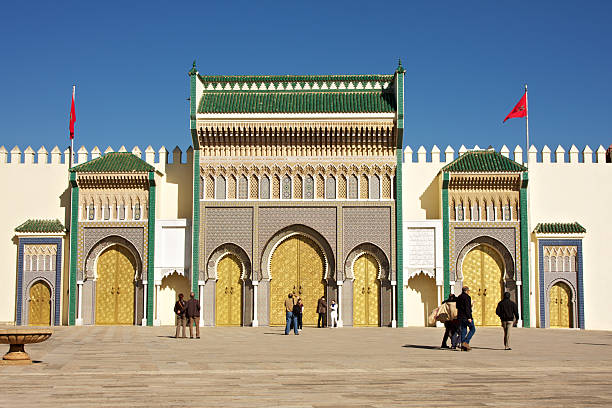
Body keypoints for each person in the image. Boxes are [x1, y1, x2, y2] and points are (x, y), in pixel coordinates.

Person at [456, 286, 476, 351]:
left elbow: (457, 306)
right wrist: (469, 317)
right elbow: (467, 308)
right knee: (472, 329)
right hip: (466, 317)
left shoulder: (459, 297)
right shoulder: (467, 297)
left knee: (464, 330)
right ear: (467, 291)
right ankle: (466, 342)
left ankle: (463, 346)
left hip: (460, 316)